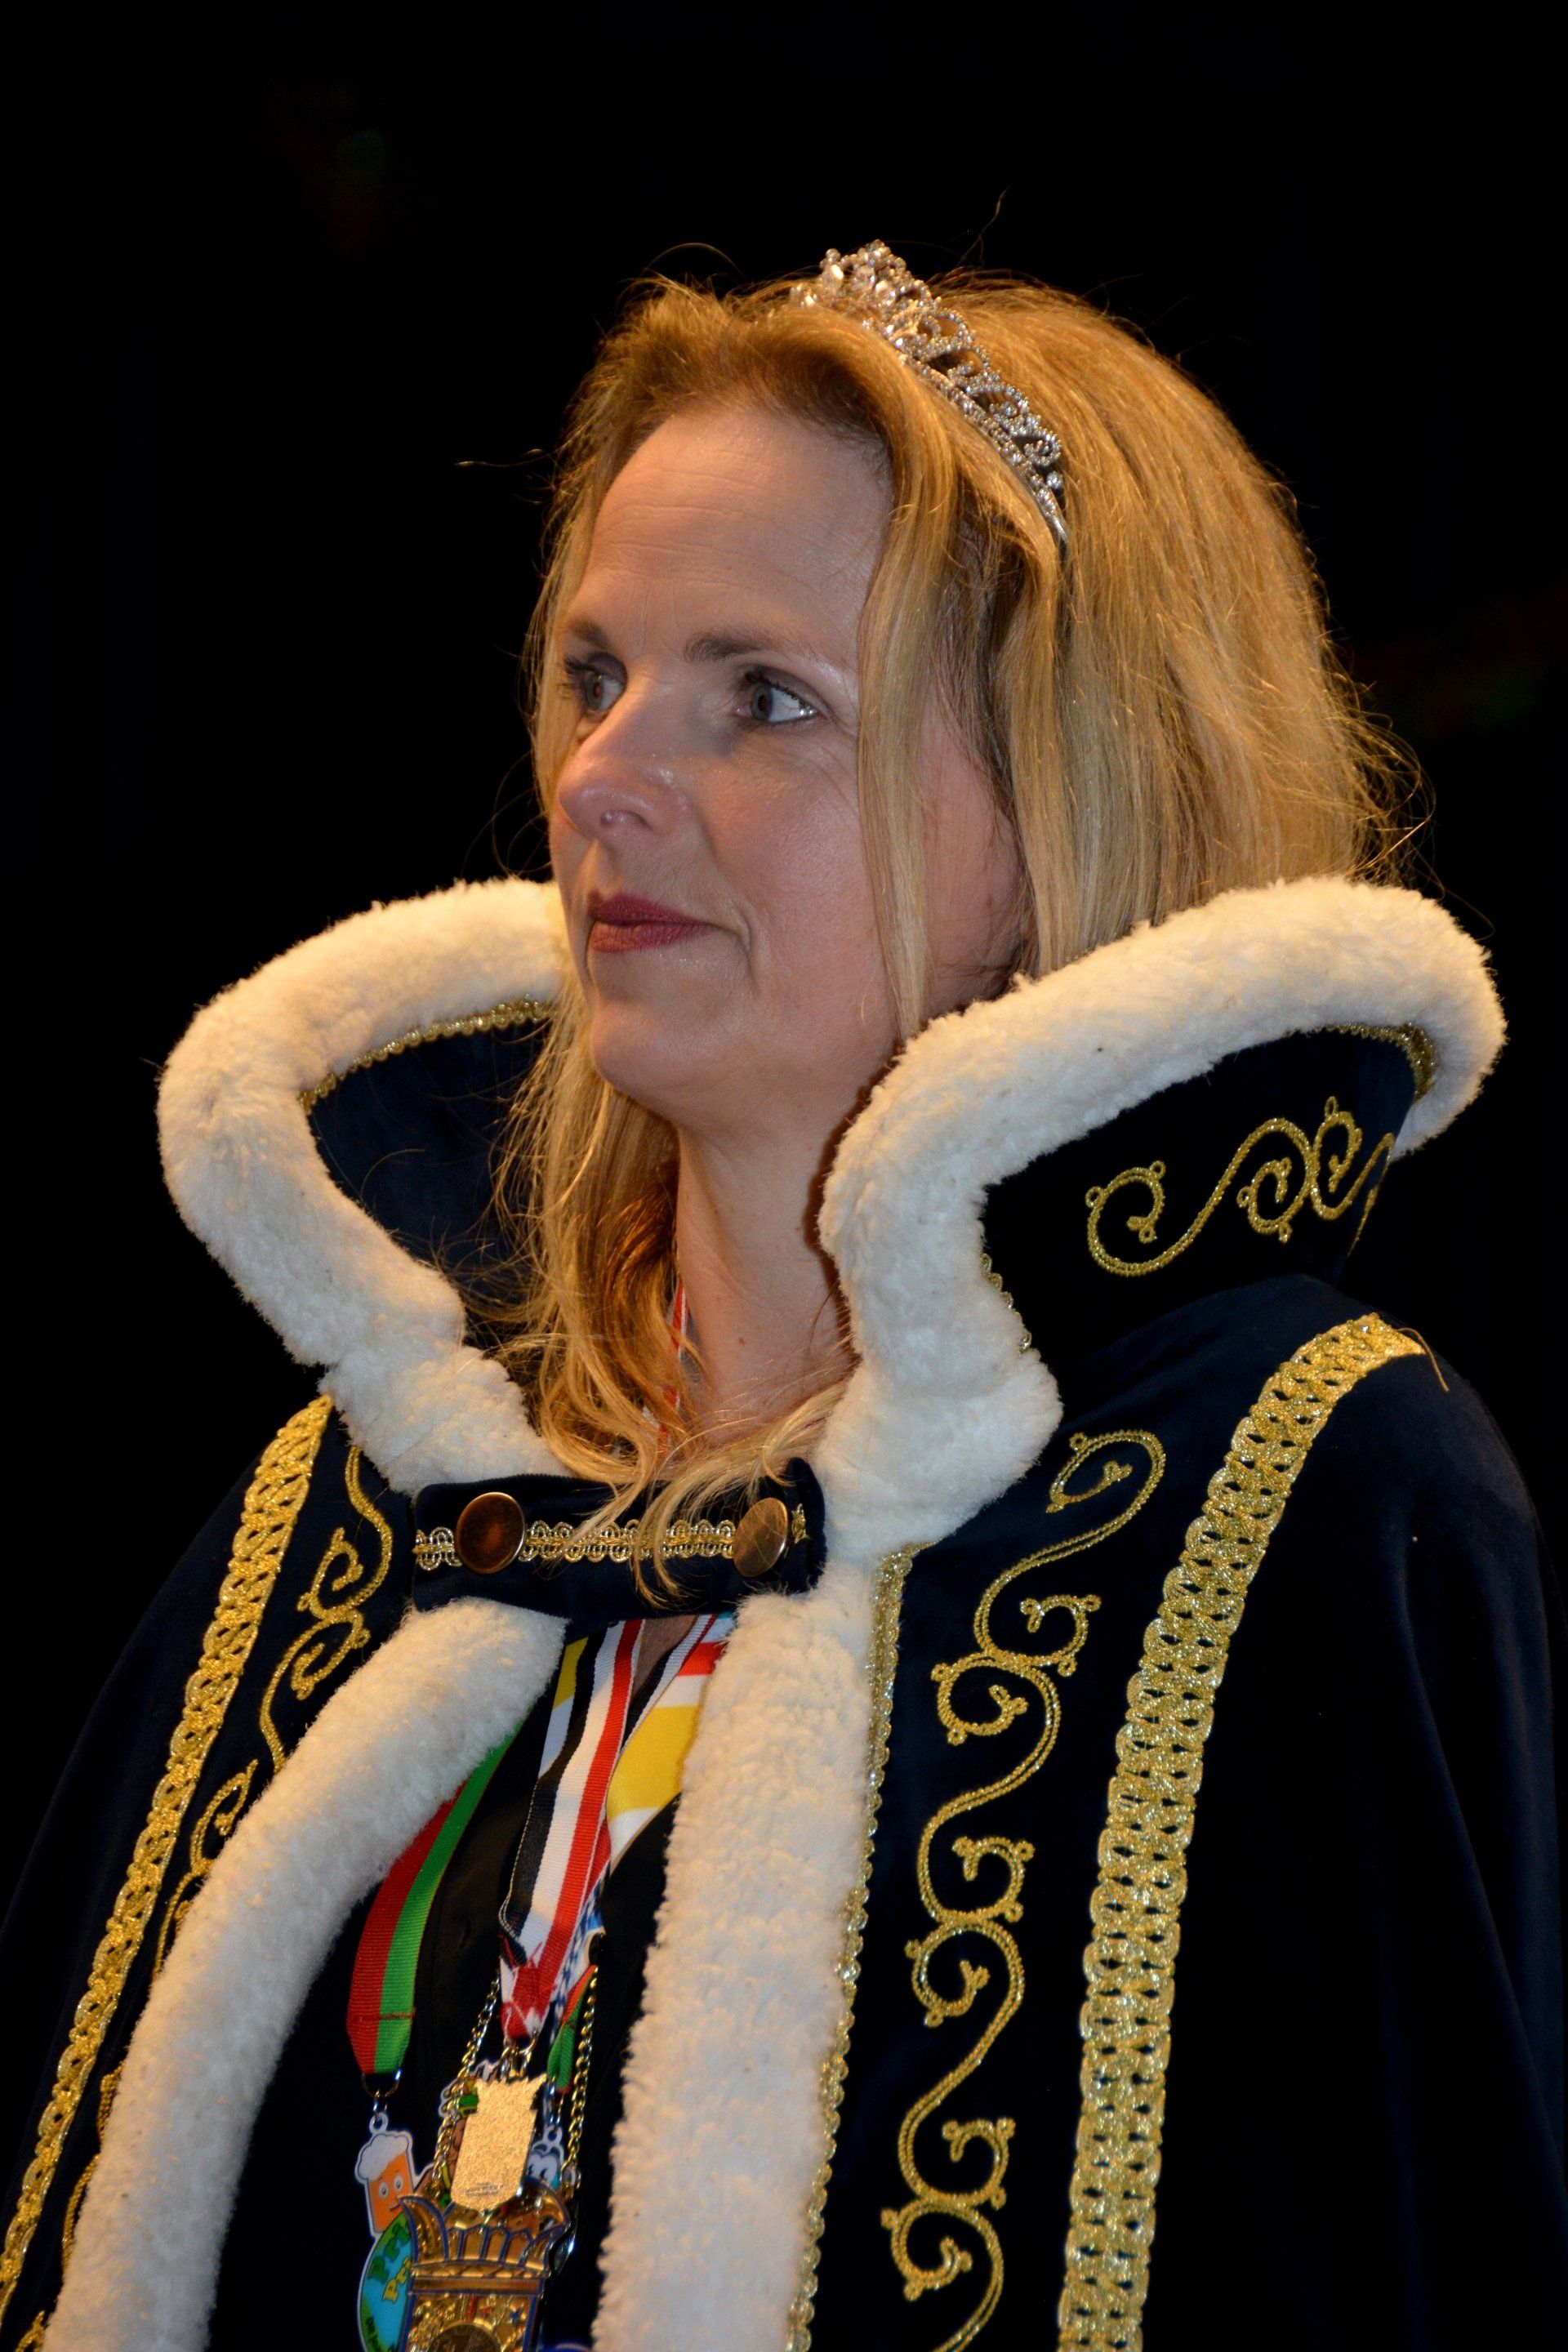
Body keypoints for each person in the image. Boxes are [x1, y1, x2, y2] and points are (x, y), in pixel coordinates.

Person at [3, 242, 1562, 2352]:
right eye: (594, 673)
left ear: (1064, 802)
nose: (603, 777)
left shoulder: (1300, 1498)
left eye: (766, 699)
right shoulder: (361, 1514)